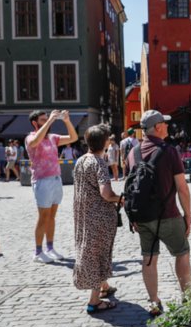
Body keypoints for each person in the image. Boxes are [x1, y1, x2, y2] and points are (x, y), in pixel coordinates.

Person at [128, 110, 191, 316]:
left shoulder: (133, 152)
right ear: (157, 127)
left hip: (143, 217)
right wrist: (187, 215)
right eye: (164, 123)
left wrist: (133, 216)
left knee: (149, 259)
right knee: (182, 253)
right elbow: (182, 188)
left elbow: (130, 186)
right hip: (169, 215)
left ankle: (154, 302)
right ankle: (188, 298)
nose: (167, 126)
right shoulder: (169, 151)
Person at [73, 124, 123, 314]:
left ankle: (104, 286)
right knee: (98, 253)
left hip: (83, 215)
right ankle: (95, 301)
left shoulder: (81, 160)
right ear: (105, 142)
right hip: (99, 216)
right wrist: (121, 199)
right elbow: (106, 193)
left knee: (91, 249)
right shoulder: (99, 162)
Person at [26, 109, 79, 263]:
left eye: (46, 119)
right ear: (35, 123)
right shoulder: (30, 137)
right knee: (43, 217)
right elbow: (35, 142)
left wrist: (67, 121)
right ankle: (38, 252)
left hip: (55, 179)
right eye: (42, 120)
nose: (46, 121)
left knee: (51, 217)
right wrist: (50, 121)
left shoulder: (52, 137)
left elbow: (73, 137)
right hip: (42, 180)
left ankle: (50, 248)